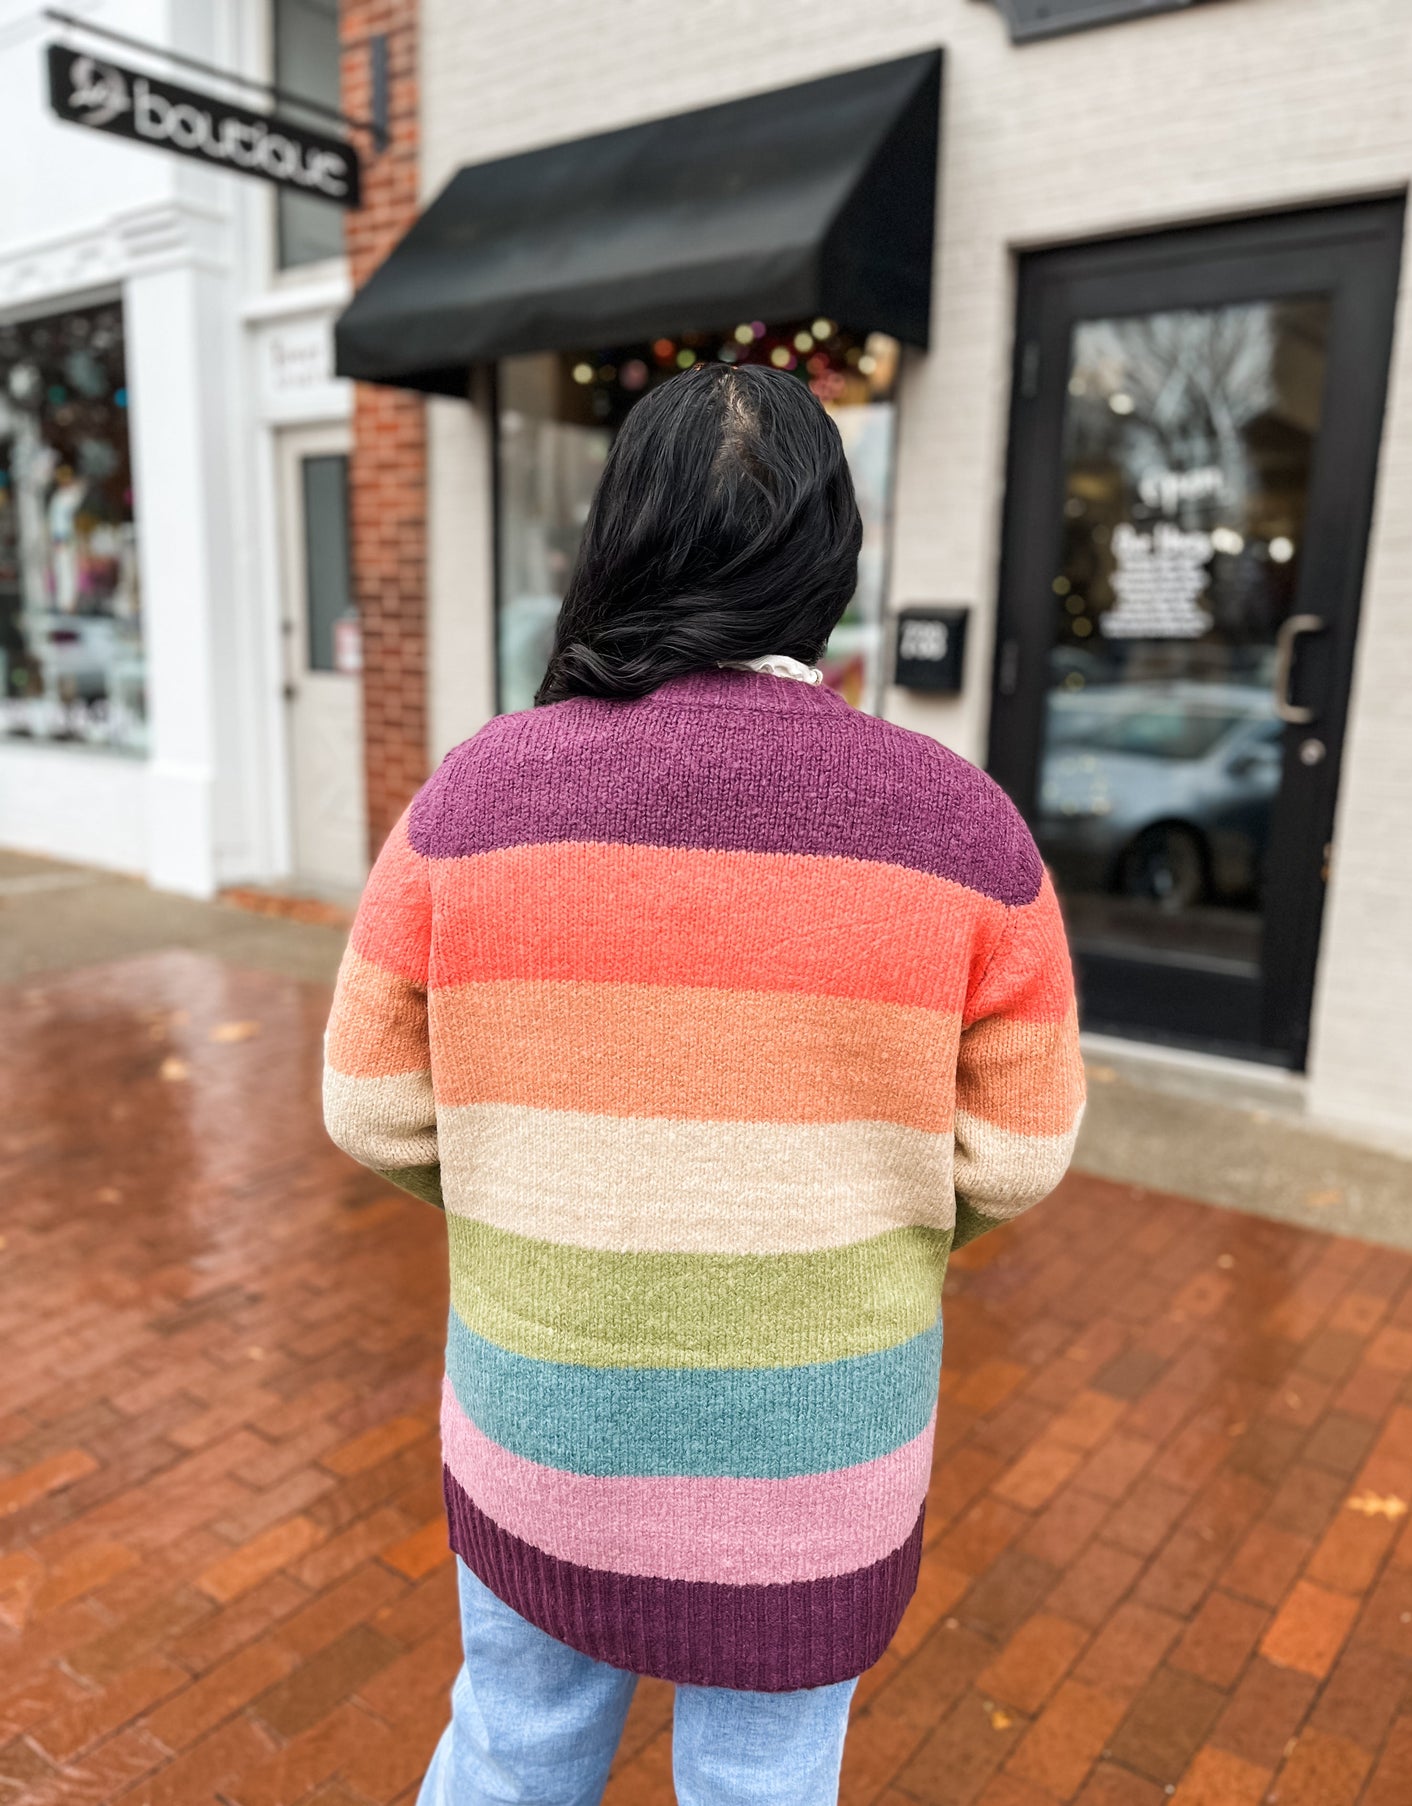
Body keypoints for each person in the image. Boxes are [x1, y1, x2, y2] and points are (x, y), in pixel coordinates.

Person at [322, 362, 1084, 1806]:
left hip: (543, 1416)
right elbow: (1019, 1150)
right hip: (817, 1452)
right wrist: (864, 1222)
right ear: (829, 564)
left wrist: (529, 1188)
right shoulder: (963, 827)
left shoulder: (474, 799)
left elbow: (368, 1103)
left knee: (513, 1751)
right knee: (763, 1786)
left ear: (619, 536)